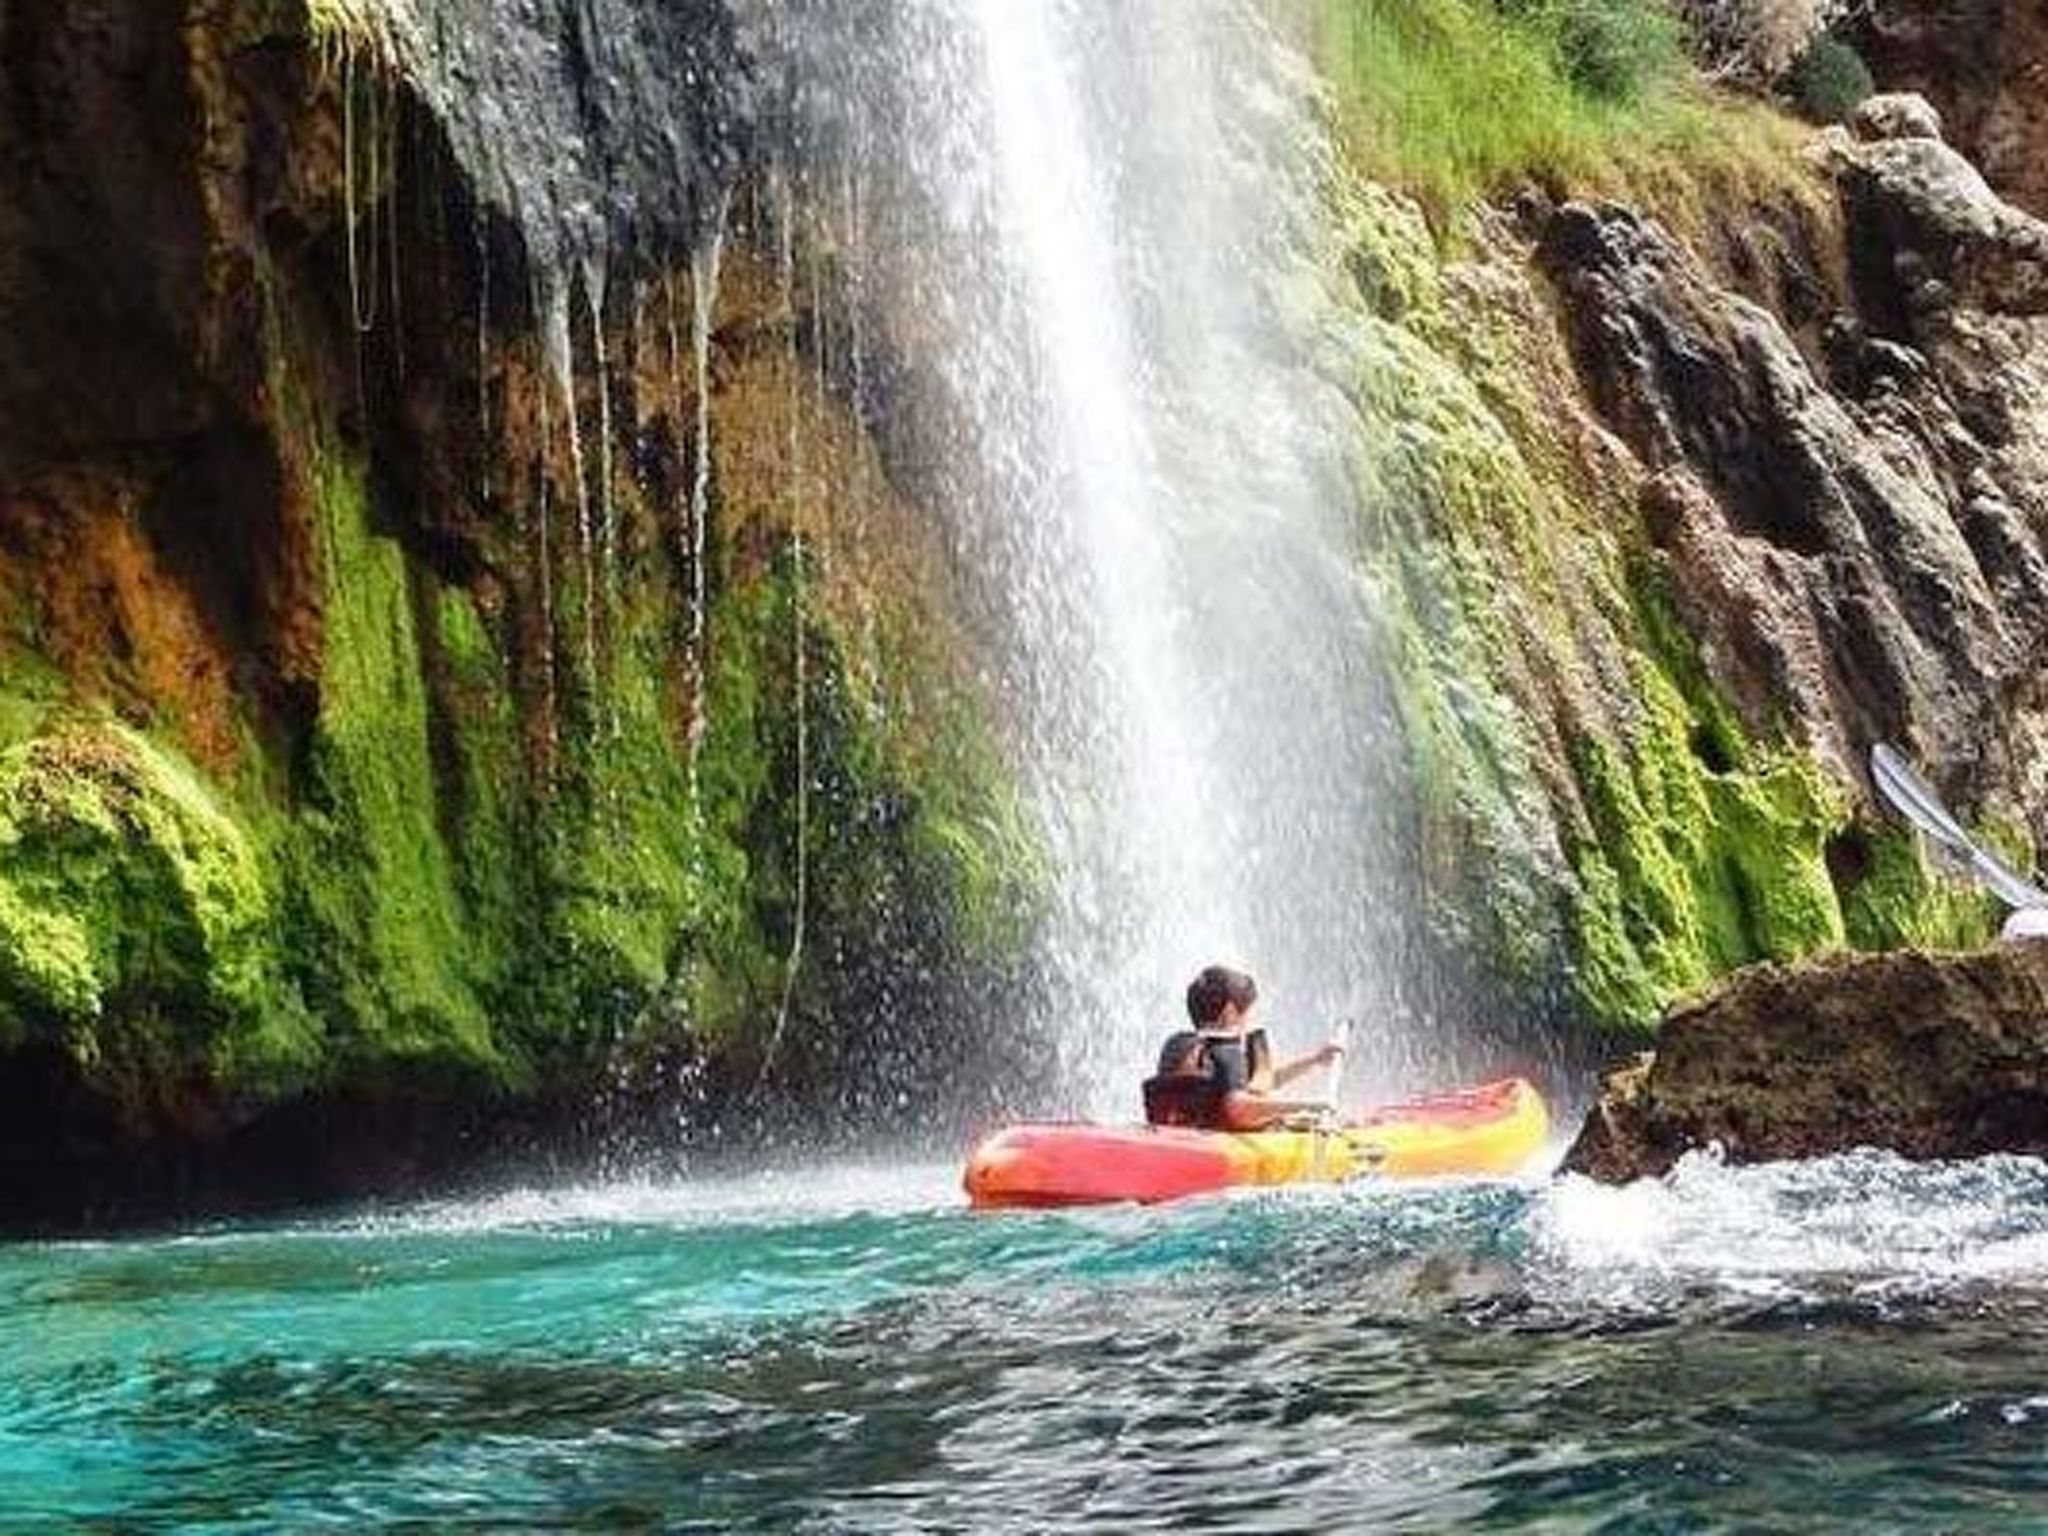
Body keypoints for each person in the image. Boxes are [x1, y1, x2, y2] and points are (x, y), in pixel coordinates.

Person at [1142, 964, 1345, 1131]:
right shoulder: (1228, 1052)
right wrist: (1307, 1107)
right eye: (1247, 1012)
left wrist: (1313, 1060)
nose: (1248, 1020)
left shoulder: (1179, 1045)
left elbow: (1257, 1083)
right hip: (1216, 1142)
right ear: (1230, 1012)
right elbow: (1238, 1108)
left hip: (1175, 1135)